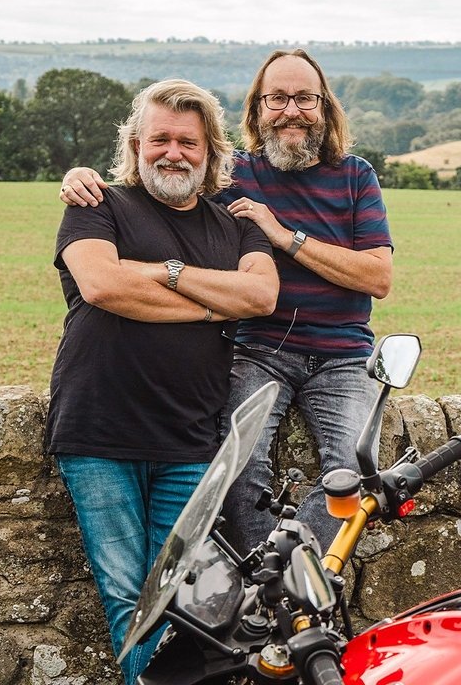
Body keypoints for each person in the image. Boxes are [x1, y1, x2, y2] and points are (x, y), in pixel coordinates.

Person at [60, 49, 394, 557]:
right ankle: (271, 587)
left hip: (344, 355)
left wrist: (282, 236)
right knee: (235, 470)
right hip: (257, 350)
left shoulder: (355, 176)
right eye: (276, 98)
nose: (291, 110)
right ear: (257, 110)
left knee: (353, 469)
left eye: (305, 98)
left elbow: (378, 276)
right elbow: (165, 181)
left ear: (325, 108)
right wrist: (81, 176)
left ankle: (286, 574)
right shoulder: (231, 174)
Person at [47, 79, 278, 683]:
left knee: (179, 600)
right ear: (135, 143)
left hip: (191, 437)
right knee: (129, 596)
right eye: (159, 139)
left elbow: (260, 294)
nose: (172, 152)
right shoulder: (97, 203)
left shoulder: (235, 224)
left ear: (209, 152)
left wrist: (160, 275)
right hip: (99, 431)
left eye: (187, 141)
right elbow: (103, 286)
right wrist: (208, 298)